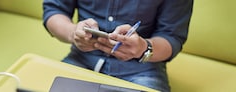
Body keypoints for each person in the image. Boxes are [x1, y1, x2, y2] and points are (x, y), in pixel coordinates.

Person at [43, 0, 193, 92]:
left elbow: (172, 36)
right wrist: (73, 33)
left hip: (142, 70)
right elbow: (54, 10)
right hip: (81, 59)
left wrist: (143, 48)